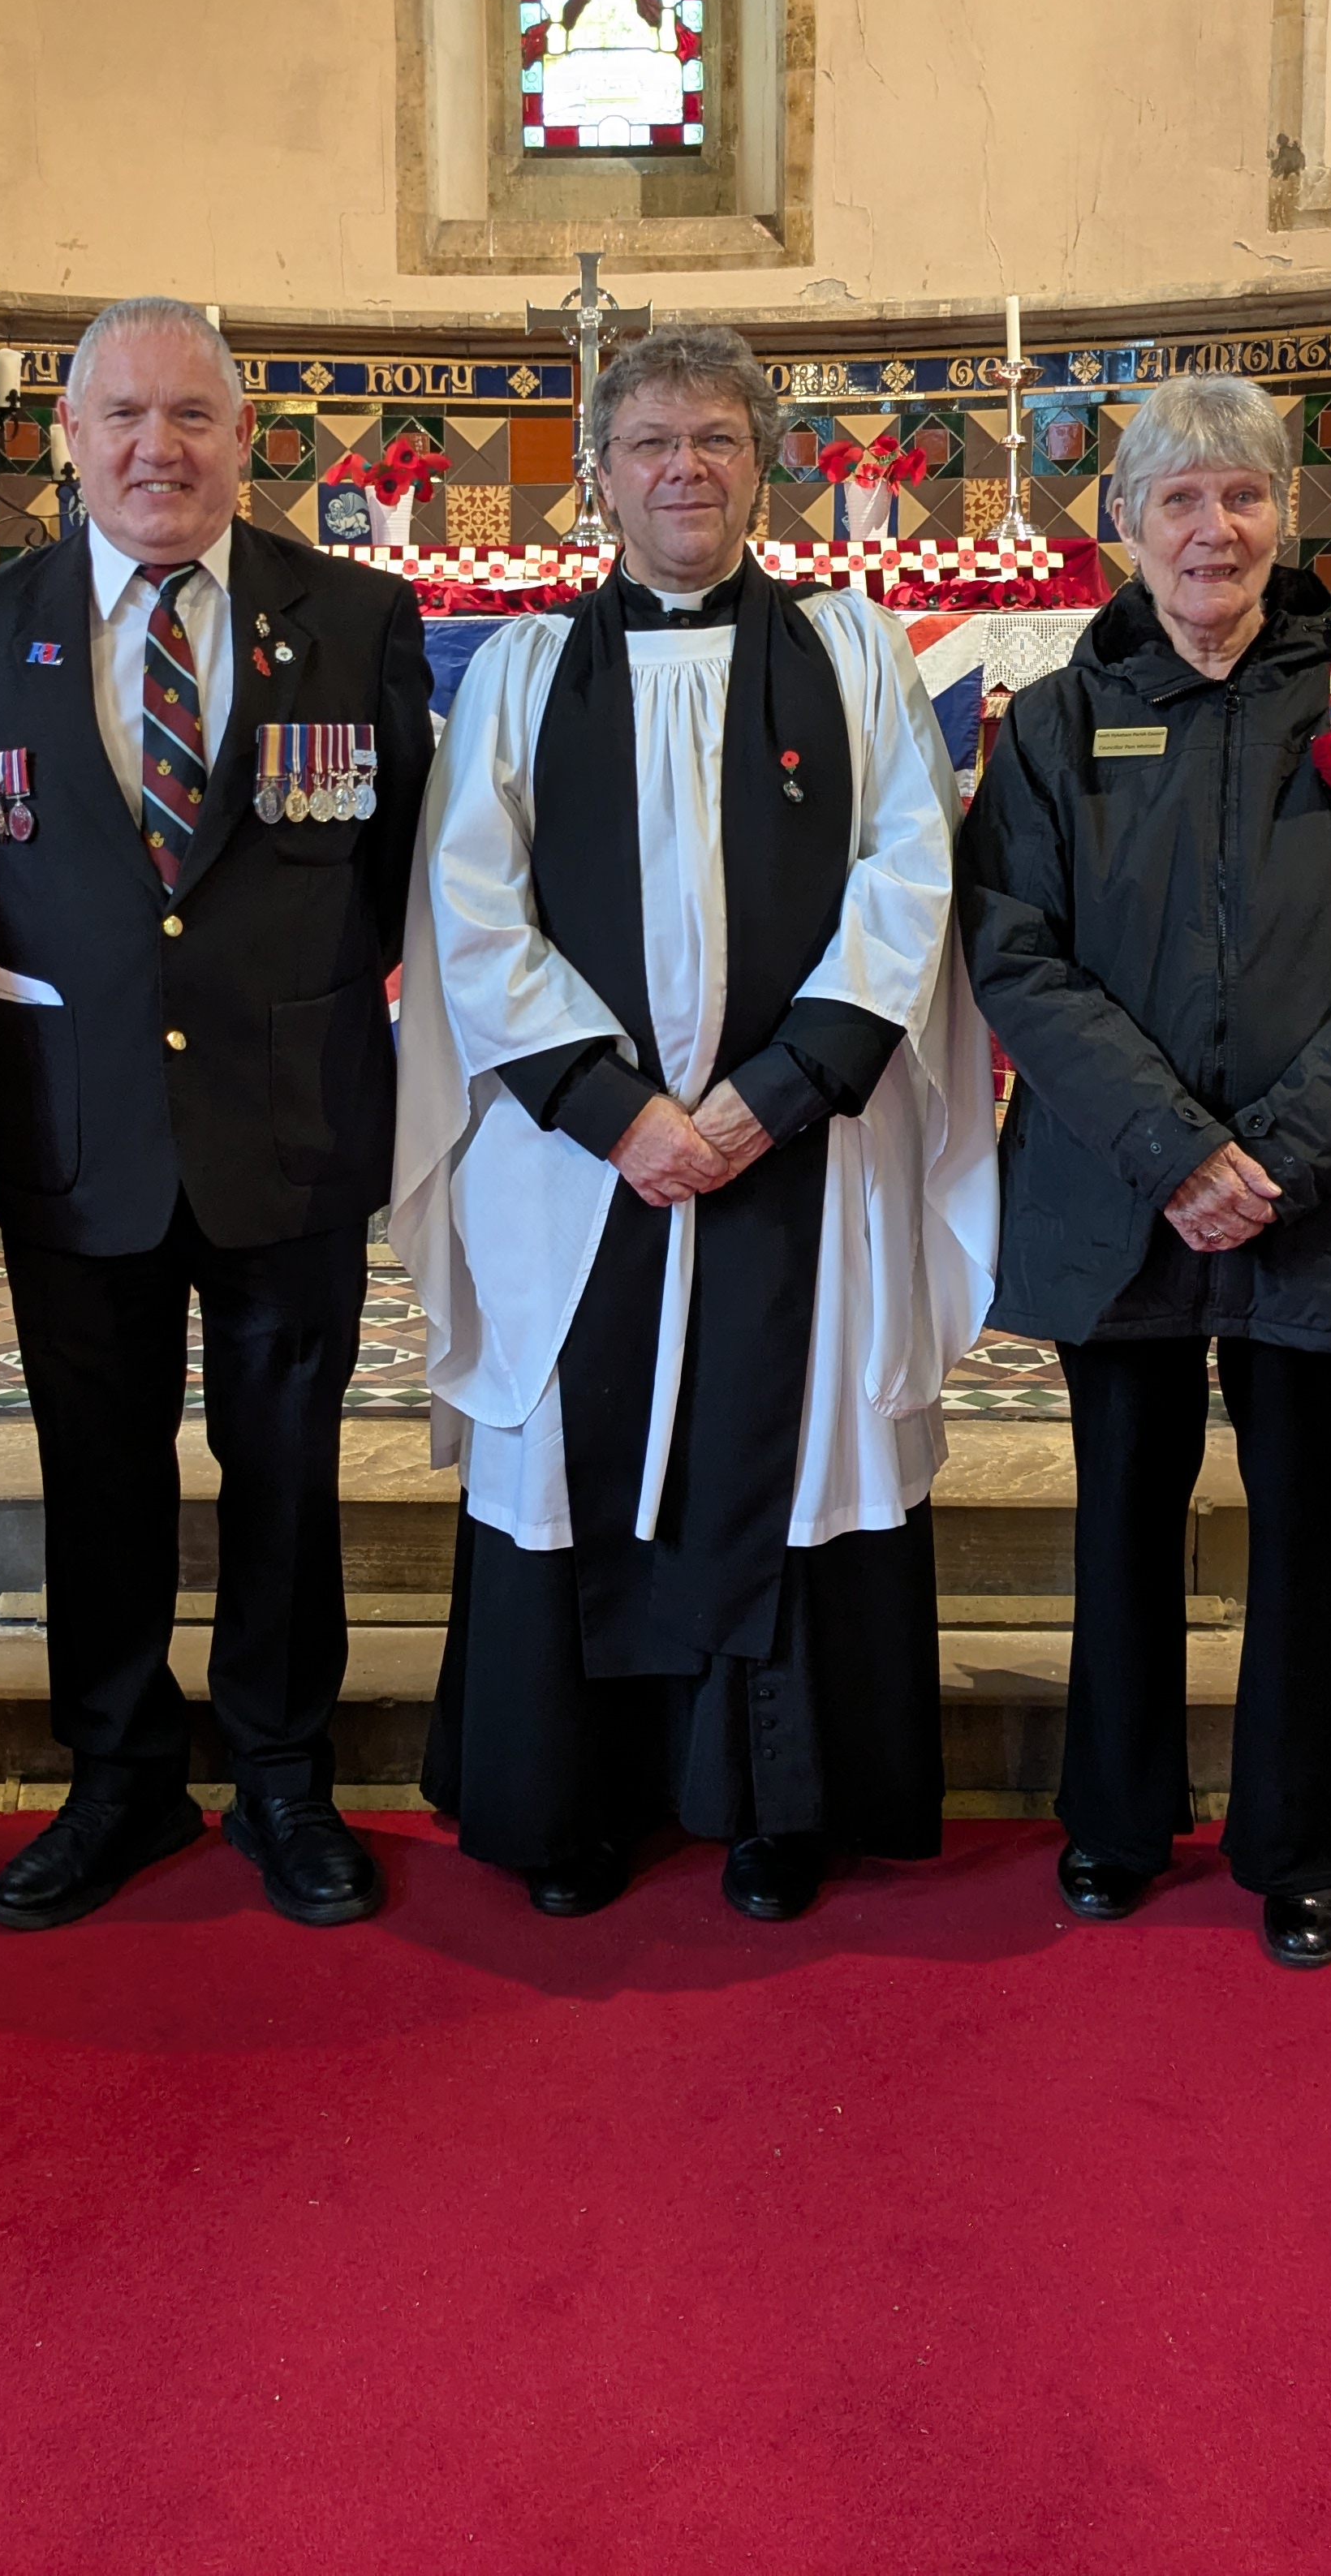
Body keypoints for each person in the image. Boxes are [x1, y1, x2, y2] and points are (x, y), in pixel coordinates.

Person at [395, 326, 997, 1924]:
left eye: (716, 439)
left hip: (802, 1146)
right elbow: (471, 908)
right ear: (601, 470)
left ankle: (778, 1808)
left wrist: (768, 1101)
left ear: (762, 461)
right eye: (651, 441)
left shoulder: (856, 654)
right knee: (584, 1455)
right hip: (583, 1166)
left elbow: (909, 875)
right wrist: (620, 1118)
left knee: (791, 1447)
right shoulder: (524, 674)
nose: (683, 469)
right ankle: (572, 1804)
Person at [956, 376, 1331, 1969]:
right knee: (1124, 1510)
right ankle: (1118, 1821)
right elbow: (1017, 954)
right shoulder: (1056, 720)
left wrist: (1279, 1153)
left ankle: (1303, 1839)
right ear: (1121, 527)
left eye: (1242, 496)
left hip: (1325, 1197)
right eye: (1177, 500)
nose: (1213, 529)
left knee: (1313, 1522)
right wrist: (1177, 1148)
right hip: (1122, 1191)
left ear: (1285, 518)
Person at [0, 298, 433, 1933]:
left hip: (291, 1125)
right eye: (124, 416)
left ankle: (284, 1775)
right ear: (70, 439)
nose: (159, 448)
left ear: (245, 434)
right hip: (81, 1138)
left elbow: (403, 866)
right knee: (99, 1470)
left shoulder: (354, 615)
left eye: (192, 416)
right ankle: (120, 1776)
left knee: (288, 1467)